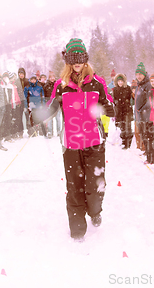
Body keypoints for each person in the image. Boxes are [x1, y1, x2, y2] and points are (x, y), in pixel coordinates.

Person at [44, 38, 114, 241]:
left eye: (81, 58)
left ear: (86, 60)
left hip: (94, 143)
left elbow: (109, 104)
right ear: (68, 61)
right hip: (71, 145)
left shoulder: (97, 82)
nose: (77, 62)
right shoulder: (61, 86)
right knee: (74, 187)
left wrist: (111, 109)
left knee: (95, 186)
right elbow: (51, 107)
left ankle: (95, 211)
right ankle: (77, 229)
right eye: (73, 58)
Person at [134, 62, 154, 165]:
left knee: (149, 137)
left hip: (147, 116)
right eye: (137, 74)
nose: (138, 76)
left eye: (140, 74)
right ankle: (148, 155)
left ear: (144, 74)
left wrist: (141, 110)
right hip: (140, 117)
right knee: (144, 137)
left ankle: (151, 158)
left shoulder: (147, 85)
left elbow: (149, 101)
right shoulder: (139, 85)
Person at [112, 73, 133, 149]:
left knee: (128, 126)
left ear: (124, 82)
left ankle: (128, 142)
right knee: (122, 127)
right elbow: (114, 99)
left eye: (122, 81)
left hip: (127, 110)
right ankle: (124, 141)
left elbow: (130, 98)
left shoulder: (127, 88)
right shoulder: (115, 89)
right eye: (119, 81)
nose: (120, 83)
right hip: (119, 110)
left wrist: (127, 102)